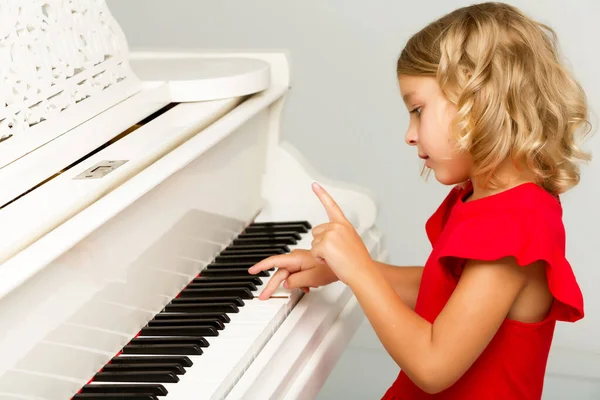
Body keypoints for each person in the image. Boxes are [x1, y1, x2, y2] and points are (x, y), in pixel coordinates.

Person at [248, 2, 592, 399]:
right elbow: (443, 289)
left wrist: (359, 270)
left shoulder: (514, 225)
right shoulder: (488, 201)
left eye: (417, 110)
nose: (409, 135)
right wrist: (344, 268)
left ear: (479, 103)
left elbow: (433, 367)